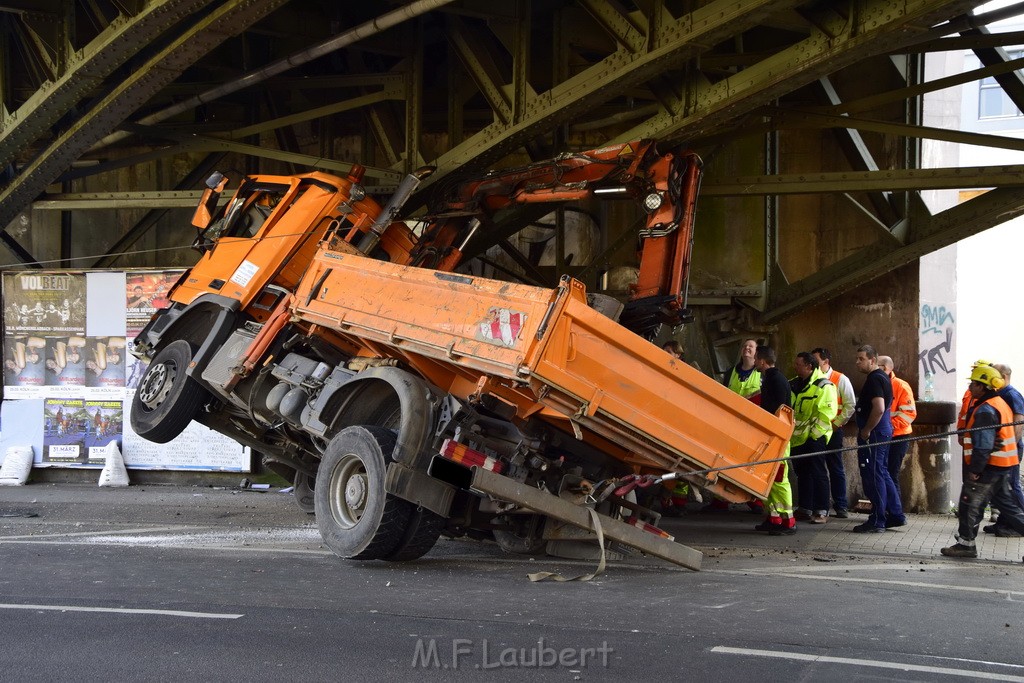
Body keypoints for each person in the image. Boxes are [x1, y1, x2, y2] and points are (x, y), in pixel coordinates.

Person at [941, 364, 1024, 558]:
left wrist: (975, 469)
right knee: (1010, 509)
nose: (970, 387)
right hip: (1000, 466)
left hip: (989, 468)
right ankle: (965, 544)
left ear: (983, 386)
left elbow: (984, 445)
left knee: (968, 505)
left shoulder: (986, 409)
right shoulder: (997, 403)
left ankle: (966, 546)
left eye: (974, 383)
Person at [703, 338, 764, 513]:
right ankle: (720, 500)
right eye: (744, 346)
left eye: (751, 347)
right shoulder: (731, 372)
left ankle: (755, 500)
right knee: (725, 460)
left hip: (753, 426)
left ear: (757, 352)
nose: (746, 349)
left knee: (752, 463)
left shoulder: (761, 373)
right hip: (732, 424)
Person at [853, 345, 906, 533]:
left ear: (872, 360)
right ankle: (895, 514)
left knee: (874, 474)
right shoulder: (882, 378)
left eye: (861, 358)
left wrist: (866, 430)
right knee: (882, 472)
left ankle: (878, 519)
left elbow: (879, 408)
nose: (857, 362)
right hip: (881, 431)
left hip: (874, 433)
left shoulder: (875, 379)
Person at [752, 346, 796, 535]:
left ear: (762, 361)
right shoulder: (772, 379)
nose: (754, 362)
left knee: (779, 481)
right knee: (770, 481)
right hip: (773, 438)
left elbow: (777, 411)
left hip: (778, 440)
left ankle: (788, 522)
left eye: (756, 359)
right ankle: (774, 518)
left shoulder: (775, 380)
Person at [790, 351, 837, 524]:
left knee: (818, 473)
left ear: (809, 366)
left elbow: (825, 414)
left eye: (798, 365)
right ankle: (805, 508)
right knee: (802, 473)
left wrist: (815, 436)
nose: (795, 367)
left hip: (815, 437)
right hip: (798, 438)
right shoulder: (795, 384)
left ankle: (821, 511)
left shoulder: (824, 386)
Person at [811, 347, 856, 518]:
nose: (813, 364)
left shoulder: (840, 379)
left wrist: (836, 424)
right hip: (816, 431)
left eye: (816, 360)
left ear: (825, 361)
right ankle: (820, 507)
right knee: (817, 469)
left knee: (835, 467)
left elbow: (849, 405)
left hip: (833, 430)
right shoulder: (813, 378)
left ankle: (841, 506)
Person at [986, 364, 1024, 537]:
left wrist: (1012, 447)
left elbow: (1018, 422)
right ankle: (1004, 522)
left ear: (1002, 376)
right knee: (1003, 488)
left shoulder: (1011, 394)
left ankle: (1019, 523)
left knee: (1013, 486)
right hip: (1006, 448)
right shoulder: (1001, 393)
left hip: (1011, 449)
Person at [879, 356, 917, 501]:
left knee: (890, 473)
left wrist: (888, 427)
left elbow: (909, 413)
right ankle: (886, 508)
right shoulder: (878, 383)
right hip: (884, 435)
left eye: (877, 365)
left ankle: (895, 510)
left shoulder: (900, 385)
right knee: (883, 473)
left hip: (898, 436)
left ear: (887, 368)